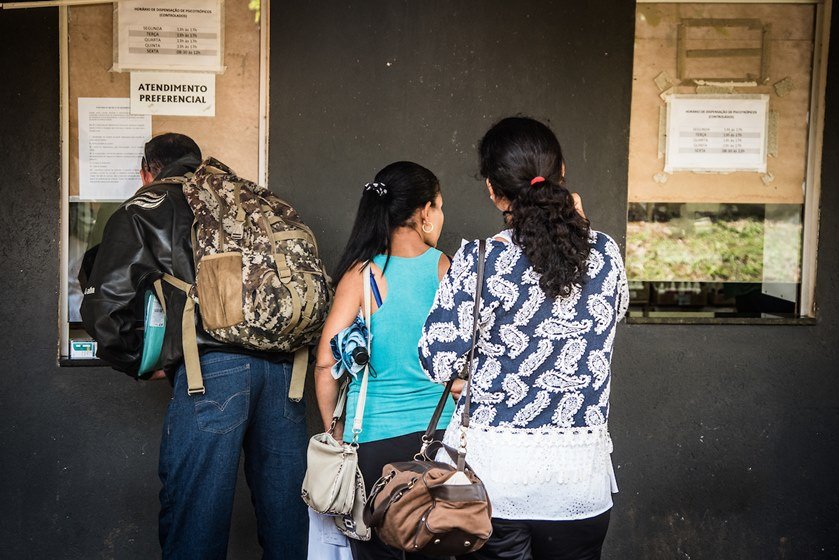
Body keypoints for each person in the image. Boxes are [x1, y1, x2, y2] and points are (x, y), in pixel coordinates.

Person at [80, 133, 307, 559]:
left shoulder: (145, 206)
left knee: (195, 524)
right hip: (285, 371)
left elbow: (104, 312)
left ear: (147, 170)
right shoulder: (249, 199)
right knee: (289, 525)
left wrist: (146, 362)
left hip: (211, 372)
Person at [419, 117, 629, 560]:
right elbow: (614, 313)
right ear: (562, 171)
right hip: (580, 480)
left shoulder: (480, 260)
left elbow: (437, 360)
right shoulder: (607, 254)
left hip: (491, 481)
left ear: (493, 191)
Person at [314, 161, 457, 560]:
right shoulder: (444, 268)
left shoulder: (361, 275)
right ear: (425, 212)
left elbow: (326, 363)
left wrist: (333, 429)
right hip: (440, 440)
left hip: (372, 442)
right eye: (440, 206)